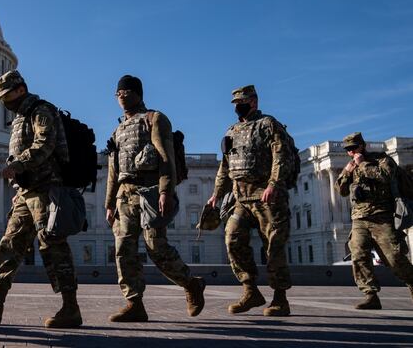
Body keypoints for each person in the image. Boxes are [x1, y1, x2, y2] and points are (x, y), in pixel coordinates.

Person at [0, 70, 81, 328]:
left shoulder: (41, 111)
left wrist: (18, 165)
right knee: (10, 243)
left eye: (6, 95)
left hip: (48, 188)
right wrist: (19, 183)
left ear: (20, 90)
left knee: (52, 244)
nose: (4, 102)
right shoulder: (19, 118)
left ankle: (71, 307)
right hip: (27, 192)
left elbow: (44, 144)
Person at [105, 75, 205, 321]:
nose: (121, 96)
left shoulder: (155, 119)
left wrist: (165, 191)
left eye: (126, 91)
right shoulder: (117, 130)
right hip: (124, 196)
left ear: (138, 93)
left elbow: (165, 158)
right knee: (123, 250)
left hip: (149, 192)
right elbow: (113, 171)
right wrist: (109, 204)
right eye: (118, 93)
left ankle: (191, 284)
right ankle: (134, 303)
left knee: (156, 247)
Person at [207, 84, 294, 317]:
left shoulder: (268, 124)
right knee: (232, 239)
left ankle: (280, 299)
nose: (237, 106)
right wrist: (217, 193)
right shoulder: (232, 131)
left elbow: (281, 155)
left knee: (273, 247)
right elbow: (225, 166)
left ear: (253, 101)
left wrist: (273, 184)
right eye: (235, 103)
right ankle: (250, 290)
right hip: (241, 198)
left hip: (267, 197)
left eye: (241, 102)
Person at [335, 132, 413, 309]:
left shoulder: (381, 159)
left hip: (382, 216)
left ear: (362, 145)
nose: (351, 152)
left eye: (354, 147)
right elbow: (341, 190)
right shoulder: (351, 166)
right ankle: (370, 295)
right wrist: (347, 172)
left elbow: (385, 176)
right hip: (359, 219)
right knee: (359, 255)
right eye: (348, 149)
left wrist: (362, 164)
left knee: (394, 258)